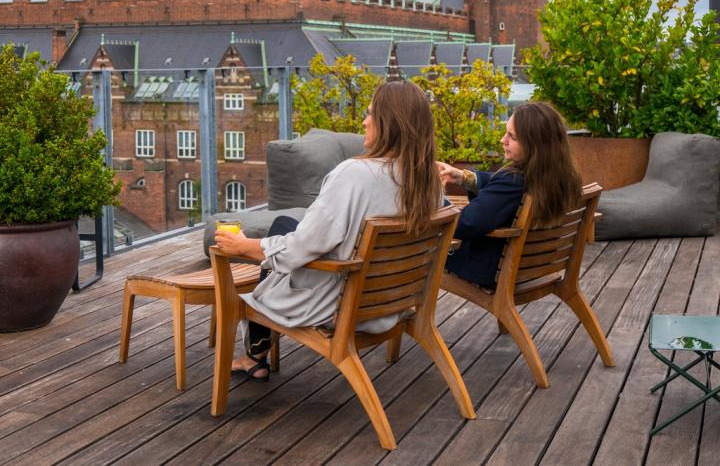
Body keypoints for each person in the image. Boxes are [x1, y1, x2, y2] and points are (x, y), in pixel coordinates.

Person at [214, 80, 443, 381]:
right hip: (393, 303)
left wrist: (244, 247)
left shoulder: (355, 174)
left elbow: (302, 246)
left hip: (340, 305)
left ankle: (254, 354)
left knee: (281, 238)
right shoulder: (429, 181)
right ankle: (255, 354)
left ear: (390, 123)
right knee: (284, 225)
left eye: (371, 114)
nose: (364, 121)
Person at [439, 101, 582, 288]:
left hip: (489, 271)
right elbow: (501, 189)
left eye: (512, 136)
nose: (502, 140)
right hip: (535, 267)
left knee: (423, 255)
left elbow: (466, 223)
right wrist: (464, 177)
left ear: (534, 144)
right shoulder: (558, 178)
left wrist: (433, 198)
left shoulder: (513, 181)